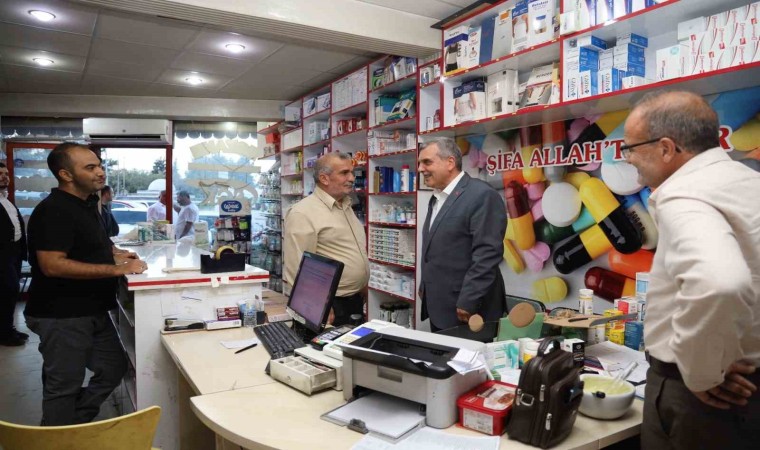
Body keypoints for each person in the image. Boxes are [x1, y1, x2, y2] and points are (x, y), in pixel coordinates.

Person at [622, 91, 760, 449]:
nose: (628, 159)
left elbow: (720, 283)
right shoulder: (747, 182)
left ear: (666, 148)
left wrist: (701, 373)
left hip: (701, 399)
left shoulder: (683, 194)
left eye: (630, 148)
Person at [24, 142, 147, 425]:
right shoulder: (55, 210)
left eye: (100, 166)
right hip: (62, 315)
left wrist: (115, 253)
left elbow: (87, 244)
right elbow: (52, 265)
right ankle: (57, 438)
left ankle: (75, 421)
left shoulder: (87, 204)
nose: (100, 172)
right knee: (63, 386)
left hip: (92, 310)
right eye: (90, 168)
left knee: (113, 366)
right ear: (66, 174)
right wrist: (117, 269)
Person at [417, 137, 507, 332]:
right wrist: (425, 286)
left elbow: (488, 253)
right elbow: (436, 248)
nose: (420, 169)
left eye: (427, 162)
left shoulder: (482, 195)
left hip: (468, 310)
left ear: (450, 162)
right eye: (420, 163)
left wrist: (469, 300)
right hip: (439, 306)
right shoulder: (437, 197)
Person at [283, 153, 368, 326]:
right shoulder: (303, 212)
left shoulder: (345, 205)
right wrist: (317, 304)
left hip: (353, 300)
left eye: (352, 172)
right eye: (344, 173)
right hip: (329, 305)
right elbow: (296, 266)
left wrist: (362, 282)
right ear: (324, 178)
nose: (352, 178)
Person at [0, 162, 29, 346]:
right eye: (0, 174)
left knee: (11, 293)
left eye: (6, 173)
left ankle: (9, 328)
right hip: (2, 255)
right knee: (7, 292)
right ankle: (4, 334)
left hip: (14, 253)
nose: (5, 177)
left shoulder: (6, 199)